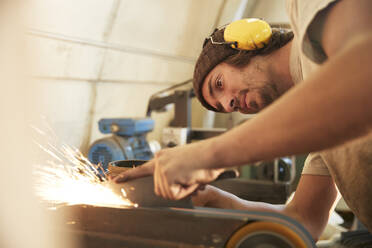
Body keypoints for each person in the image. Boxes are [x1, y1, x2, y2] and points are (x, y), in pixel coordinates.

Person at [112, 0, 372, 241]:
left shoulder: (304, 6)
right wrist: (219, 201)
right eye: (221, 107)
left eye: (219, 84)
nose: (229, 104)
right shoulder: (323, 127)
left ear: (246, 42)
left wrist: (207, 155)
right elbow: (305, 220)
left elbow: (362, 74)